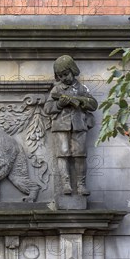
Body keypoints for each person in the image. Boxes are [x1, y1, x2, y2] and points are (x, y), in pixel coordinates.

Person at [44, 55, 97, 196]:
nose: (63, 78)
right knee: (63, 155)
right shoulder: (56, 90)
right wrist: (60, 104)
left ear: (73, 71)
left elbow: (93, 104)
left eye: (66, 74)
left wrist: (79, 101)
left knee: (80, 155)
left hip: (79, 126)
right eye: (60, 76)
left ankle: (81, 185)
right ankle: (66, 184)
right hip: (61, 126)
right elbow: (47, 108)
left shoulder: (82, 88)